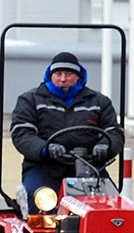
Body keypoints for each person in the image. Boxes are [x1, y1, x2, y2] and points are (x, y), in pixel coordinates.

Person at [11, 51, 124, 212]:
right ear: (51, 76)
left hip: (90, 169)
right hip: (45, 168)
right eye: (58, 74)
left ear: (79, 76)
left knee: (112, 206)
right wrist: (45, 149)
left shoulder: (98, 102)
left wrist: (106, 145)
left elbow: (114, 132)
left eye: (68, 74)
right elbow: (22, 133)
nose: (63, 79)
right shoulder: (31, 100)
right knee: (41, 203)